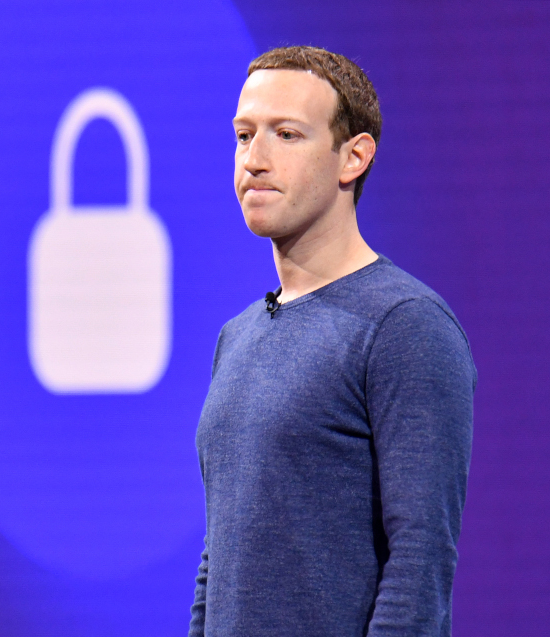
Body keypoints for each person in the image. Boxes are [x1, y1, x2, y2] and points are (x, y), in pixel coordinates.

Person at [188, 46, 476, 636]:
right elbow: (219, 559)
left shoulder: (406, 325)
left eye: (286, 135)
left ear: (354, 157)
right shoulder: (236, 337)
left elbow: (420, 563)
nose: (255, 160)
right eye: (245, 136)